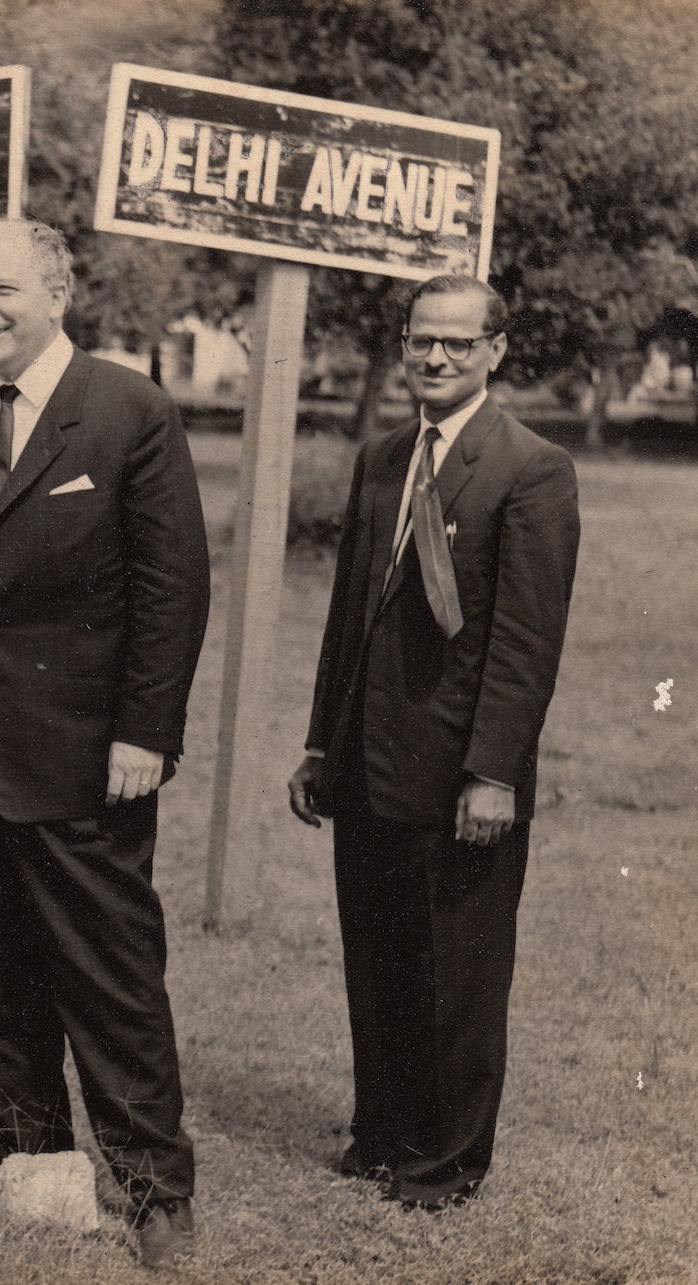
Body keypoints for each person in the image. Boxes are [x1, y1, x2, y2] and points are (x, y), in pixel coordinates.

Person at [0, 218, 210, 1267]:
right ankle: (32, 1152)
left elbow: (172, 588)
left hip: (83, 754)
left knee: (108, 972)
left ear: (58, 293)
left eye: (4, 288)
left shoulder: (128, 412)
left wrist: (145, 733)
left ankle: (155, 1188)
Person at [288, 274, 580, 1211]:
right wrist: (320, 745)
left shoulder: (530, 467)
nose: (437, 357)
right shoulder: (383, 459)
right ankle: (382, 1136)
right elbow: (349, 619)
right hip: (368, 757)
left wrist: (493, 771)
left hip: (460, 769)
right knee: (376, 957)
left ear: (496, 350)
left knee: (455, 969)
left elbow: (527, 642)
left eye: (459, 342)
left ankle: (446, 1164)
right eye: (422, 340)